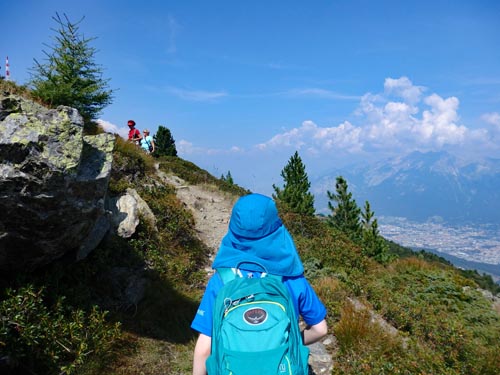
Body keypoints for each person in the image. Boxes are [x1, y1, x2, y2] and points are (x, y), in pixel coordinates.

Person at [191, 193, 328, 375]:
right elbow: (320, 329)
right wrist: (291, 344)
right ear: (277, 228)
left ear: (233, 228)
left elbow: (205, 346)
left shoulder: (221, 281)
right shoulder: (291, 277)